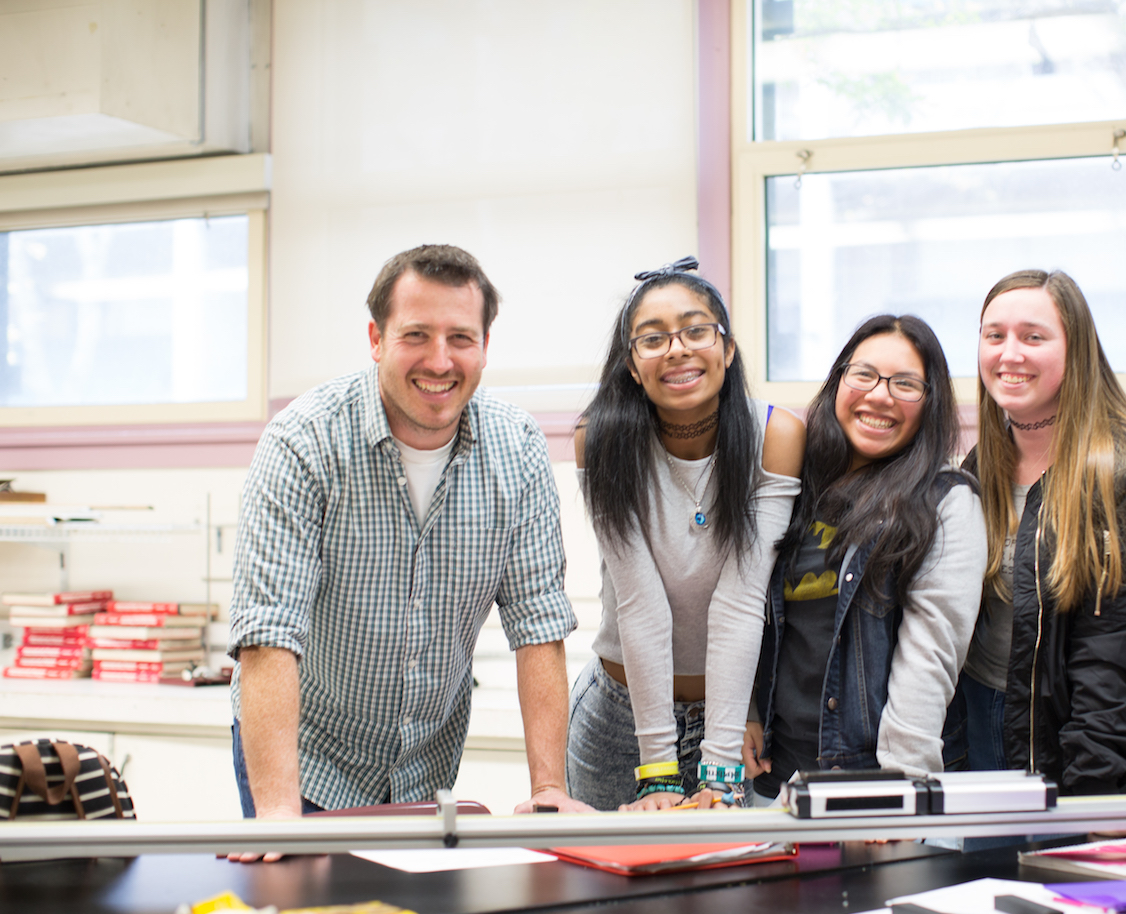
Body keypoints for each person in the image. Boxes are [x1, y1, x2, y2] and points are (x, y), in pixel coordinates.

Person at [227, 244, 589, 860]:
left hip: (428, 766)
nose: (440, 360)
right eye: (416, 335)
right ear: (376, 338)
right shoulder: (303, 441)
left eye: (461, 337)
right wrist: (279, 812)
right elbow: (268, 634)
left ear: (485, 345)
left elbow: (539, 624)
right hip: (306, 760)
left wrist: (548, 787)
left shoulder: (519, 448)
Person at [943, 269, 1126, 798]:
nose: (1009, 354)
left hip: (1085, 751)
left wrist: (1089, 799)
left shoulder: (1124, 471)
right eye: (994, 336)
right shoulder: (981, 466)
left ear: (1076, 349)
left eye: (1033, 337)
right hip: (984, 734)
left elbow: (1118, 657)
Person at [568, 257, 804, 811]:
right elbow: (639, 602)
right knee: (605, 891)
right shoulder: (598, 440)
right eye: (652, 339)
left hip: (728, 720)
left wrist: (719, 767)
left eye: (696, 330)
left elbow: (741, 602)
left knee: (721, 894)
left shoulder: (776, 435)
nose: (676, 350)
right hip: (618, 715)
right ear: (631, 364)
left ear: (726, 347)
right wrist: (656, 769)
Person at [744, 314, 987, 801]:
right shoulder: (798, 479)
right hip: (777, 778)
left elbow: (932, 653)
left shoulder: (946, 499)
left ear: (930, 401)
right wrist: (748, 711)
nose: (880, 395)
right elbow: (752, 606)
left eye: (905, 384)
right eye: (865, 375)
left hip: (873, 782)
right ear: (839, 381)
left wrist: (898, 786)